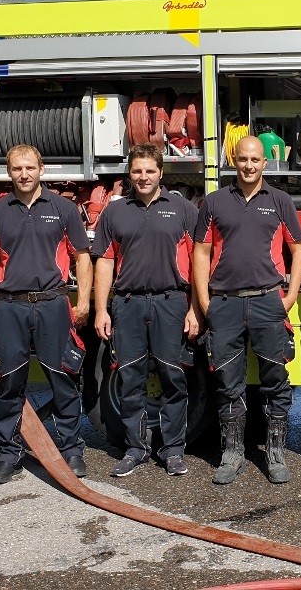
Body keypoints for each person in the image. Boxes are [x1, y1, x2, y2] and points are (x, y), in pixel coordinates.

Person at [0, 144, 93, 485]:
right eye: (16, 169)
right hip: (9, 306)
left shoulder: (64, 209)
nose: (23, 174)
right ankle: (8, 454)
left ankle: (71, 448)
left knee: (64, 379)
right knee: (10, 383)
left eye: (29, 168)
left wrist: (82, 302)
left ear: (42, 169)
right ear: (8, 172)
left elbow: (82, 257)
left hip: (53, 303)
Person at [192, 135, 301, 485]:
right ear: (233, 161)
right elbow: (200, 252)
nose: (249, 166)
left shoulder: (280, 201)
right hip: (224, 303)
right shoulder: (214, 203)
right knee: (227, 381)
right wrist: (204, 302)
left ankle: (275, 452)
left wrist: (290, 296)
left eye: (255, 160)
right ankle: (232, 452)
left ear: (265, 163)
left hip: (267, 301)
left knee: (275, 379)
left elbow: (298, 249)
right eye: (243, 159)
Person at [93, 144, 200, 477]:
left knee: (174, 378)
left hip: (172, 303)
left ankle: (172, 450)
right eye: (137, 171)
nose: (143, 176)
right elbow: (105, 261)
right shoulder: (114, 212)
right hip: (127, 305)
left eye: (150, 170)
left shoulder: (182, 209)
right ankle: (136, 449)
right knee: (131, 380)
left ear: (161, 173)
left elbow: (199, 264)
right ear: (130, 174)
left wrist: (195, 309)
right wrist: (101, 310)